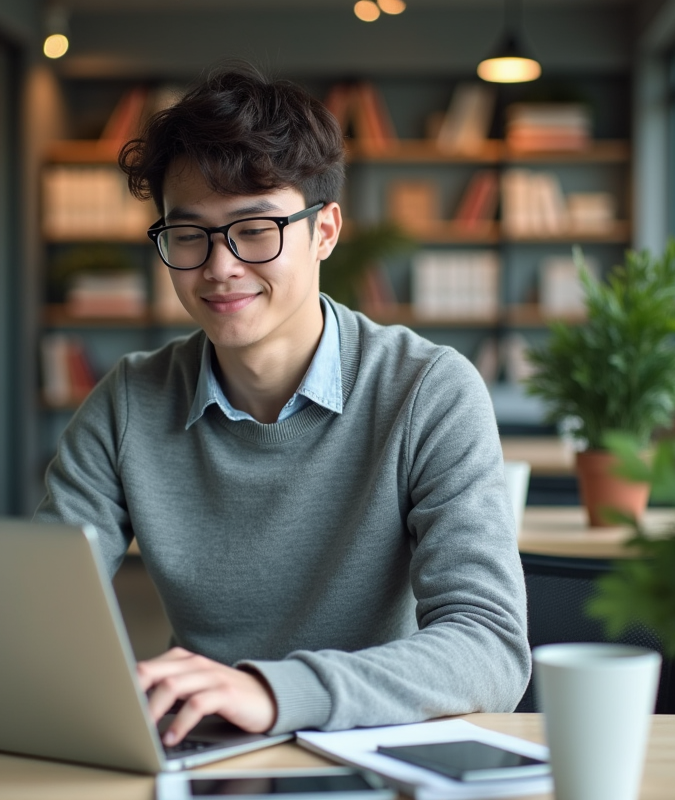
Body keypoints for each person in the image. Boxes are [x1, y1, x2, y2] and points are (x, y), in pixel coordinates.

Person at [35, 65, 529, 747]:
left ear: (324, 231)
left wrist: (274, 692)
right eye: (190, 234)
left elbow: (491, 649)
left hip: (376, 750)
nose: (219, 267)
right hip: (206, 755)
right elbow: (44, 604)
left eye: (255, 229)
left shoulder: (429, 391)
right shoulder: (128, 401)